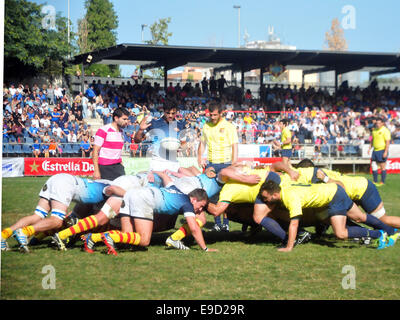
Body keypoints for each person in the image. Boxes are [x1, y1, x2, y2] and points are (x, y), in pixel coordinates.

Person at [258, 180, 394, 252]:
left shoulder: (290, 198)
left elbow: (294, 223)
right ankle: (390, 231)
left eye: (266, 198)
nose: (265, 201)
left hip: (333, 197)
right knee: (360, 217)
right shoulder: (284, 187)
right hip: (335, 189)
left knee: (340, 233)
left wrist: (289, 246)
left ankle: (379, 235)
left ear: (275, 194)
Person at [1, 174, 111, 252]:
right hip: (66, 183)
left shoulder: (104, 184)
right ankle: (24, 232)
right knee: (57, 221)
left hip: (57, 178)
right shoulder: (113, 188)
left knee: (37, 216)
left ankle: (3, 235)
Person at [197, 102, 239, 232]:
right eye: (211, 115)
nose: (213, 117)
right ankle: (216, 223)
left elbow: (234, 145)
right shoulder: (206, 126)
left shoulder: (229, 126)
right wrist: (199, 157)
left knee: (224, 194)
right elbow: (202, 143)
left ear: (221, 113)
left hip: (226, 163)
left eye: (215, 115)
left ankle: (225, 223)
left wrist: (234, 162)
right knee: (213, 194)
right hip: (211, 163)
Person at [134, 104, 186, 172]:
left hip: (173, 163)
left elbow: (183, 144)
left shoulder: (180, 125)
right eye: (168, 113)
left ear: (176, 113)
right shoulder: (154, 123)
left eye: (173, 113)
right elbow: (137, 140)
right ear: (164, 112)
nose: (170, 115)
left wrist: (180, 146)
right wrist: (140, 130)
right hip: (157, 162)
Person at [92, 107, 130, 180]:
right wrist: (96, 171)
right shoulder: (103, 130)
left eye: (127, 119)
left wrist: (121, 165)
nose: (126, 121)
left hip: (118, 167)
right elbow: (95, 151)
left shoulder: (121, 132)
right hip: (105, 167)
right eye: (124, 119)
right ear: (116, 118)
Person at [369, 117, 391, 185]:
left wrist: (385, 151)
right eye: (377, 123)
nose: (378, 124)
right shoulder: (374, 131)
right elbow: (372, 140)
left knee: (382, 166)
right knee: (373, 165)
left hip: (382, 150)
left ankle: (382, 182)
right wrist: (370, 148)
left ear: (382, 123)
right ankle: (375, 181)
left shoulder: (385, 130)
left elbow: (387, 141)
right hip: (375, 150)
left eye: (379, 123)